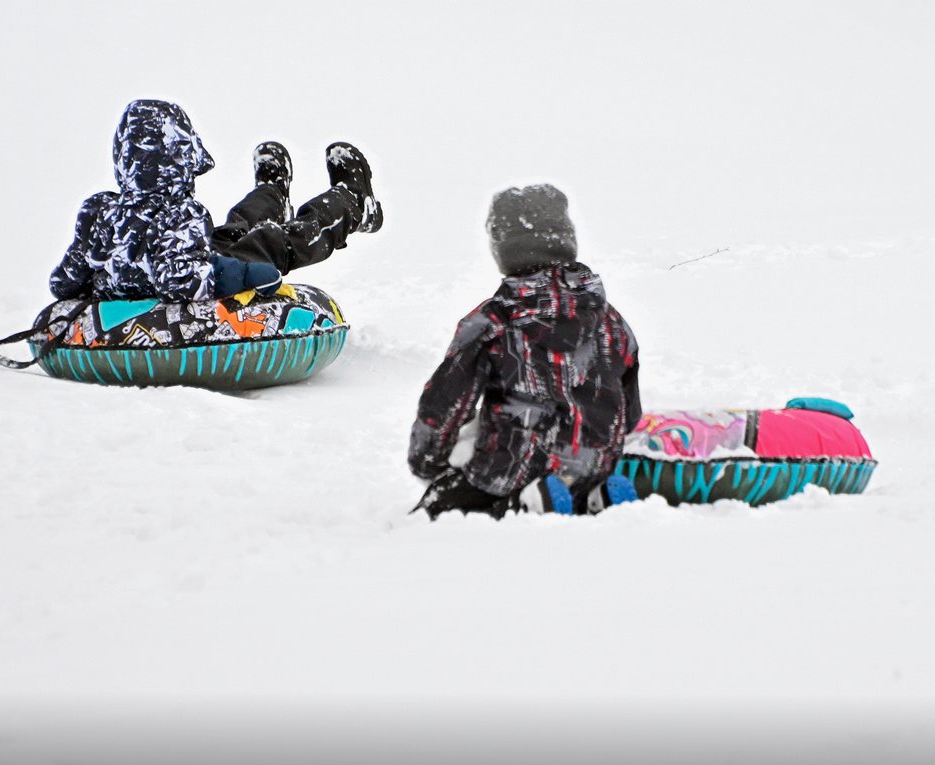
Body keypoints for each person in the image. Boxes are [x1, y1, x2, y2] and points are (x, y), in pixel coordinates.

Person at [408, 184, 642, 519]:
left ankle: (524, 503)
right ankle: (595, 496)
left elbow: (444, 403)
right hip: (595, 462)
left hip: (509, 467)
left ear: (503, 249)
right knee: (575, 476)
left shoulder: (492, 322)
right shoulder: (610, 320)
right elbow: (630, 410)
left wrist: (428, 462)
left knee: (436, 509)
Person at [49, 99, 381, 304]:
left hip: (198, 259)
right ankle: (352, 202)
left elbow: (65, 279)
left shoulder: (101, 212)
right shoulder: (180, 216)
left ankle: (271, 192)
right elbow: (186, 278)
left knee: (232, 229)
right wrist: (253, 276)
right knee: (275, 242)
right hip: (207, 276)